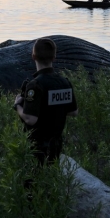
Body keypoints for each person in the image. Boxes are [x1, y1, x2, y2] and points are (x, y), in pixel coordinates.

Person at [13, 37, 78, 165]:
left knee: (32, 182)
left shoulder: (36, 85)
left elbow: (30, 119)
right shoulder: (64, 82)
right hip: (56, 145)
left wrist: (17, 106)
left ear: (33, 56)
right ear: (54, 58)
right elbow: (73, 112)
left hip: (36, 148)